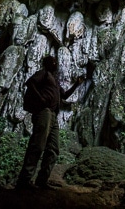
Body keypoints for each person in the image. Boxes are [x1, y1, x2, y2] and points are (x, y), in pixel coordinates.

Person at [16, 55, 84, 190]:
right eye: (52, 61)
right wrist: (40, 98)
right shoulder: (44, 74)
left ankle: (42, 181)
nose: (55, 63)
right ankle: (24, 181)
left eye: (55, 61)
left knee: (53, 149)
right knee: (38, 145)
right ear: (46, 64)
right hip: (44, 112)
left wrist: (77, 84)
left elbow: (64, 96)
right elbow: (30, 82)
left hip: (53, 116)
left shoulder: (56, 82)